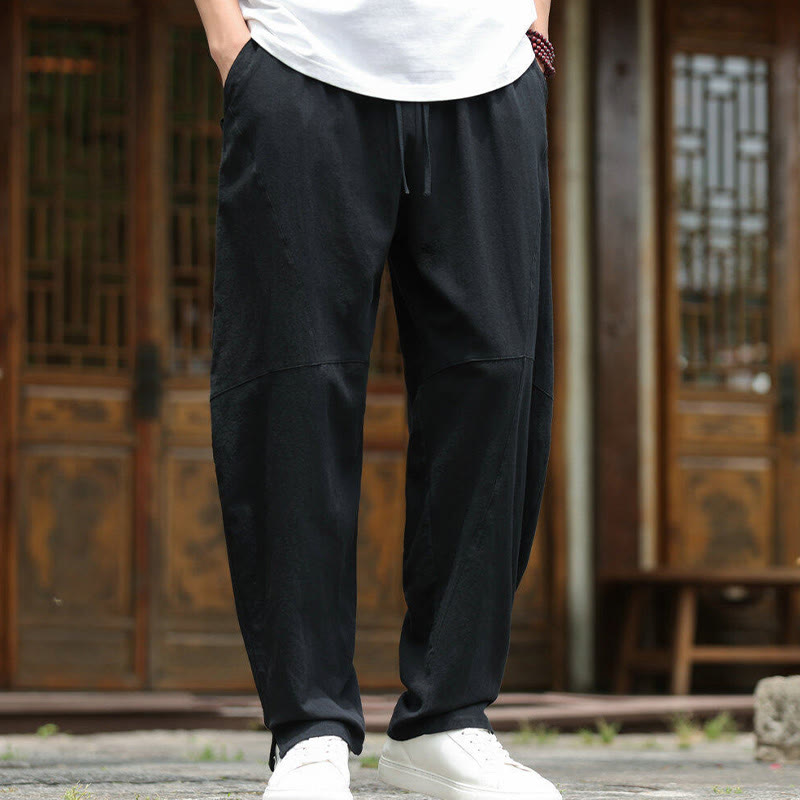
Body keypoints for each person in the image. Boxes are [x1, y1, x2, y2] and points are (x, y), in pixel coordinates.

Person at [194, 0, 558, 797]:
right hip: (299, 59)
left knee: (495, 383)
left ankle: (445, 719)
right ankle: (310, 727)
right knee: (294, 390)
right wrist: (230, 41)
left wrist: (531, 21)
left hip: (491, 71)